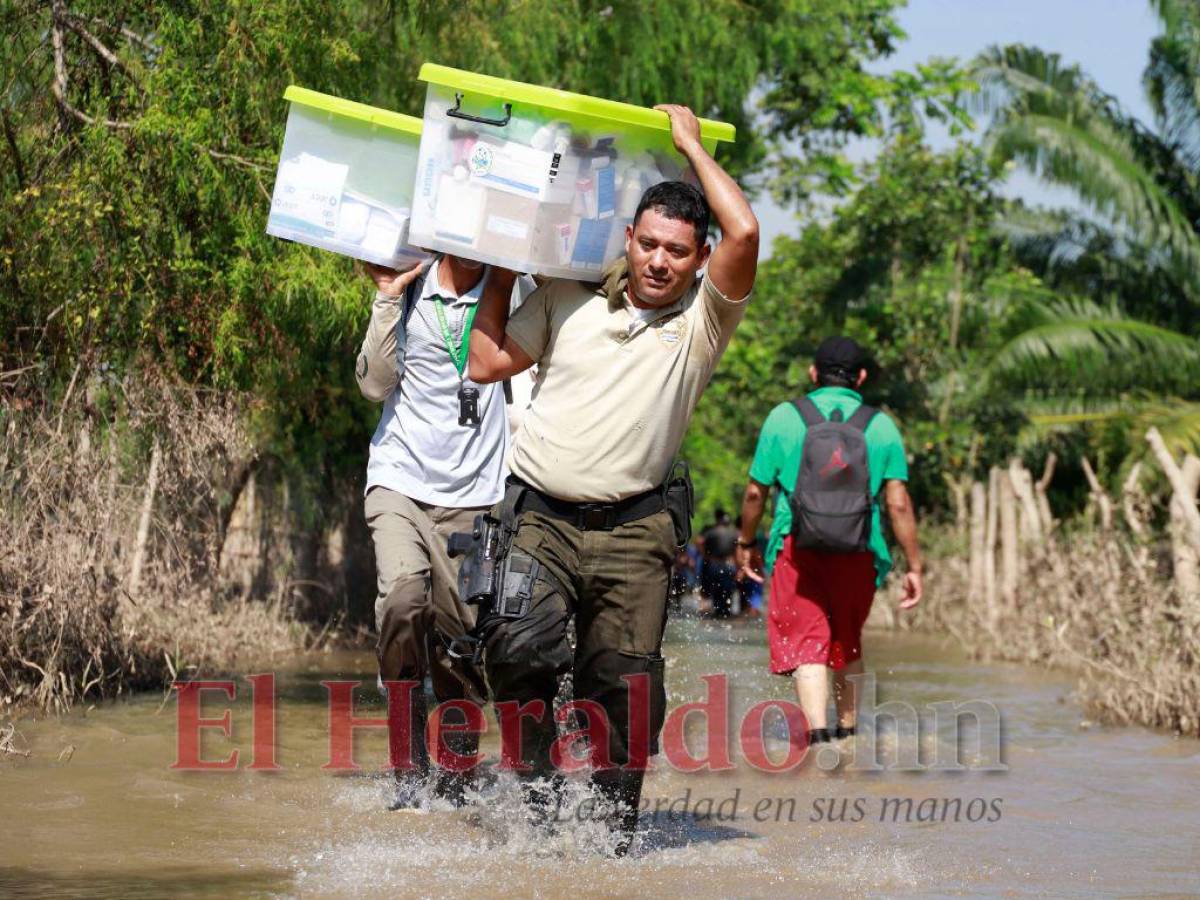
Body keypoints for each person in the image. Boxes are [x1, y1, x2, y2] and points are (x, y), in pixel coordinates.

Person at [468, 104, 759, 854]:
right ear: (628, 239)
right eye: (650, 243)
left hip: (636, 532)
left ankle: (609, 840)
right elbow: (485, 362)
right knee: (514, 650)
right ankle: (532, 800)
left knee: (625, 692)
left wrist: (689, 147)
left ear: (698, 260)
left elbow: (747, 233)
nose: (660, 261)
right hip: (538, 518)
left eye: (678, 251)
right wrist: (500, 267)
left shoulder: (703, 324)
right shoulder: (567, 297)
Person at [356, 252, 532, 805]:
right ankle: (407, 767)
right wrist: (386, 297)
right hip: (400, 480)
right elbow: (373, 385)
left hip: (478, 494)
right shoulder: (411, 285)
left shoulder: (518, 289)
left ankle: (456, 777)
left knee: (460, 647)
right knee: (404, 598)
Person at [735, 336, 922, 748]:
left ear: (813, 374)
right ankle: (850, 735)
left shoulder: (784, 417)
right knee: (847, 640)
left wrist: (745, 541)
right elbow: (898, 503)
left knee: (807, 646)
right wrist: (914, 566)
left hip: (796, 547)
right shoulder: (882, 426)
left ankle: (819, 741)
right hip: (859, 550)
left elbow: (754, 493)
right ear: (861, 377)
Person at [701, 508, 739, 617]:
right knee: (728, 589)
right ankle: (726, 611)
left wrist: (706, 556)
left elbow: (700, 542)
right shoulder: (733, 533)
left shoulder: (710, 532)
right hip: (729, 563)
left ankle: (718, 611)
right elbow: (737, 550)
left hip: (714, 563)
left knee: (716, 588)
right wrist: (738, 566)